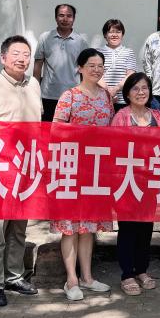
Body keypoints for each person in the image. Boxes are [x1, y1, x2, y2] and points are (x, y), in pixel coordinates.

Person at [0, 35, 43, 307]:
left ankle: (14, 276)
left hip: (27, 167)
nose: (22, 59)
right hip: (0, 168)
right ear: (3, 58)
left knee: (19, 227)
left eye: (26, 54)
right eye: (16, 54)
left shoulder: (34, 84)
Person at [51, 48, 114, 301]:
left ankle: (87, 277)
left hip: (96, 170)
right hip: (71, 167)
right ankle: (71, 280)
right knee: (70, 227)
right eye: (91, 65)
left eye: (100, 66)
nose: (96, 70)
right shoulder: (70, 96)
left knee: (88, 226)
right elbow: (56, 130)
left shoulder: (106, 96)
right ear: (80, 68)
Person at [111, 72, 160, 296]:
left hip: (150, 180)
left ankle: (141, 270)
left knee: (146, 227)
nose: (141, 92)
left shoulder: (157, 115)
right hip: (127, 180)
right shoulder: (121, 116)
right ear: (127, 94)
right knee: (128, 228)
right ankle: (127, 274)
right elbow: (114, 149)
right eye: (135, 88)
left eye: (144, 88)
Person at [34, 3, 88, 121]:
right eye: (61, 15)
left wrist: (84, 95)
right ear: (56, 18)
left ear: (74, 19)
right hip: (47, 95)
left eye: (69, 16)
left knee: (70, 131)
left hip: (73, 96)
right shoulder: (45, 37)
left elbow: (84, 71)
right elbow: (37, 66)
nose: (65, 19)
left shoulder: (81, 42)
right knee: (48, 129)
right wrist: (35, 91)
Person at [100, 18, 138, 106]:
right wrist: (108, 91)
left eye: (118, 32)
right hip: (102, 100)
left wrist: (115, 89)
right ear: (105, 34)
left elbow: (130, 74)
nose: (114, 35)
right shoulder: (98, 52)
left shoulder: (129, 52)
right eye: (111, 32)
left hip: (124, 100)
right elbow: (96, 75)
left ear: (122, 34)